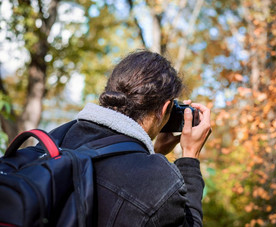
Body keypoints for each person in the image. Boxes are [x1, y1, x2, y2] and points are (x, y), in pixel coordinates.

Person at [59, 50, 211, 226]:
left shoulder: (60, 135)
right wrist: (190, 156)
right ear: (164, 110)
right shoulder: (158, 184)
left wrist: (156, 153)